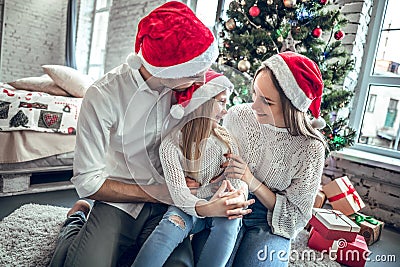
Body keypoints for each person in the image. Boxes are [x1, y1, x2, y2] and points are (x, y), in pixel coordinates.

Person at [49, 2, 252, 267]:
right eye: (194, 71)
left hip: (170, 204)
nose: (202, 78)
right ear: (169, 70)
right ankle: (75, 221)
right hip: (119, 202)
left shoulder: (186, 89)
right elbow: (87, 182)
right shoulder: (104, 95)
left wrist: (220, 162)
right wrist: (157, 192)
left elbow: (209, 127)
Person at [192, 52, 328, 266]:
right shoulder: (237, 116)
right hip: (228, 205)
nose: (254, 106)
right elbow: (213, 162)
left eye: (267, 101)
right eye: (255, 93)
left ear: (292, 106)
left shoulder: (311, 148)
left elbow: (296, 216)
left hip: (269, 220)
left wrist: (251, 180)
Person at [132, 70, 250, 267]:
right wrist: (206, 207)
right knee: (169, 226)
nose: (226, 110)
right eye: (221, 102)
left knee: (231, 220)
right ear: (201, 103)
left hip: (219, 208)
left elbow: (237, 182)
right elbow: (180, 196)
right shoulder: (171, 145)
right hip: (188, 208)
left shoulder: (226, 139)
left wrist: (235, 196)